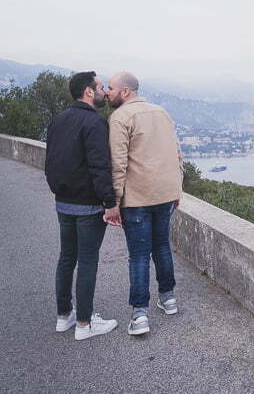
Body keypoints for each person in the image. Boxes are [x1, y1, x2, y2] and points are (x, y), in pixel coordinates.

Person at [105, 71, 183, 336]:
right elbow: (177, 153)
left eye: (111, 88)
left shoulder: (120, 117)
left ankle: (140, 314)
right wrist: (177, 189)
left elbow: (118, 163)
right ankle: (168, 297)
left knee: (139, 254)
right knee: (162, 246)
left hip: (137, 197)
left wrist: (113, 202)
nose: (107, 92)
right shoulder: (162, 113)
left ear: (125, 91)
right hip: (164, 194)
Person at [44, 71, 121, 340]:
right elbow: (100, 167)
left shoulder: (59, 120)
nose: (104, 92)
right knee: (87, 261)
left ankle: (64, 317)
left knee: (66, 259)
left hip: (63, 204)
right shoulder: (95, 123)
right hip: (88, 206)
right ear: (89, 91)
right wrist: (110, 203)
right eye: (100, 87)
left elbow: (50, 161)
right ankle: (85, 324)